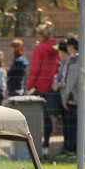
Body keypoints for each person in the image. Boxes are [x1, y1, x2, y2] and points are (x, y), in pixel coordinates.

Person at [26, 21, 60, 157]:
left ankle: (34, 148)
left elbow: (35, 69)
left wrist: (29, 86)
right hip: (51, 86)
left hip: (39, 87)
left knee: (34, 118)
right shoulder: (56, 47)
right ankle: (46, 145)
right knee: (48, 118)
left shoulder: (39, 49)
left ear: (40, 35)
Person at [60, 37, 80, 156]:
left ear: (71, 47)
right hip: (80, 97)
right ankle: (74, 149)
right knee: (75, 125)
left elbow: (70, 81)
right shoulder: (82, 58)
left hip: (73, 98)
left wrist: (65, 97)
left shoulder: (73, 60)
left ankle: (71, 150)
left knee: (71, 125)